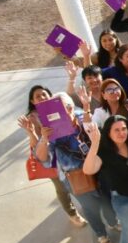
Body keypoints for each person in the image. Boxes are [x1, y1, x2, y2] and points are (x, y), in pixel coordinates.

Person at [35, 93, 118, 243]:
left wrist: (86, 108)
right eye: (60, 109)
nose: (66, 111)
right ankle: (101, 235)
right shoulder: (51, 130)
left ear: (72, 107)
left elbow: (96, 133)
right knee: (90, 208)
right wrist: (44, 139)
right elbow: (43, 159)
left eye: (68, 107)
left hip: (97, 169)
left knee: (107, 200)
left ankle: (113, 222)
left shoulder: (82, 116)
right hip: (76, 177)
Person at [18, 86, 83, 227]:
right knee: (61, 187)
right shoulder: (32, 118)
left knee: (76, 180)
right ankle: (72, 213)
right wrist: (33, 133)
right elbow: (35, 145)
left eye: (44, 94)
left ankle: (86, 201)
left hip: (67, 152)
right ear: (32, 101)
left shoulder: (57, 107)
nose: (42, 98)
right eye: (38, 96)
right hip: (51, 157)